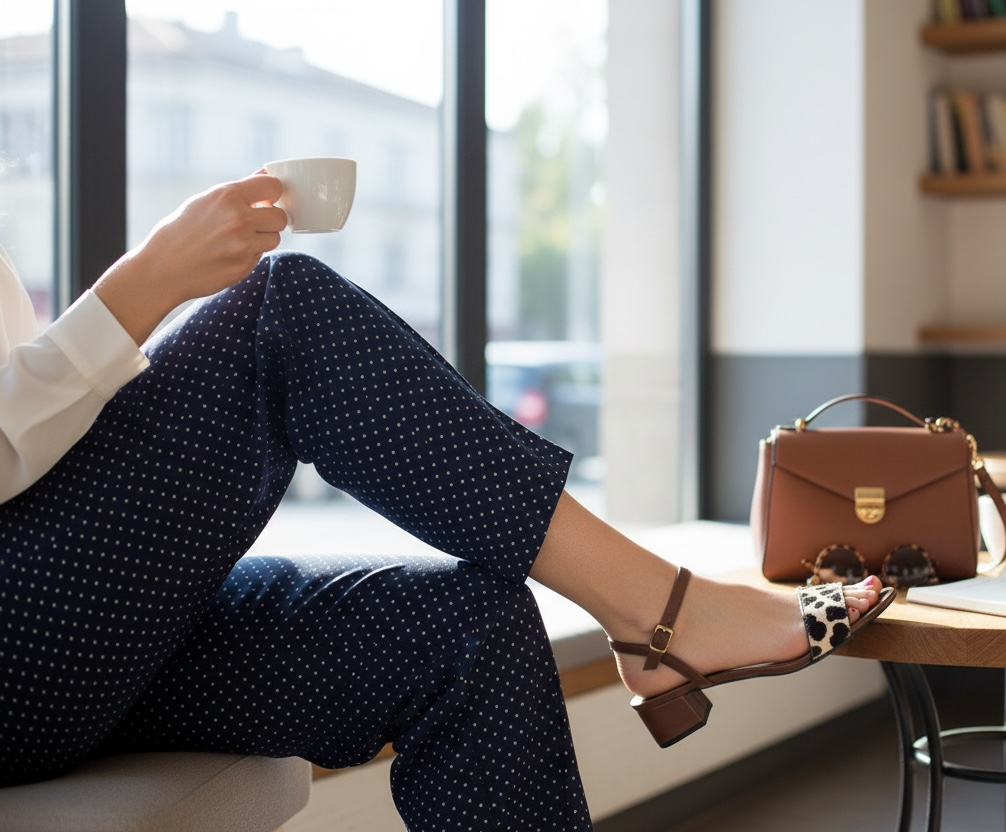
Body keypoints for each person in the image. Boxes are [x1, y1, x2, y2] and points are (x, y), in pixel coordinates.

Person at [0, 173, 892, 829]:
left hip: (57, 642)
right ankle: (663, 612)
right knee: (282, 309)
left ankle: (659, 620)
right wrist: (146, 283)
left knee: (469, 624)